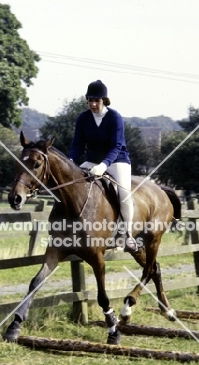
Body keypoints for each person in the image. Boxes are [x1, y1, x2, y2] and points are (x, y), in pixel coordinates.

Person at [68, 79, 138, 252]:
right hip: (92, 160)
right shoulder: (83, 118)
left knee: (124, 196)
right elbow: (78, 144)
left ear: (104, 100)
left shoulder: (114, 117)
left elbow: (117, 146)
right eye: (90, 100)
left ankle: (127, 235)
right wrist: (70, 161)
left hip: (116, 160)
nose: (92, 104)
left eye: (96, 100)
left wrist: (104, 165)